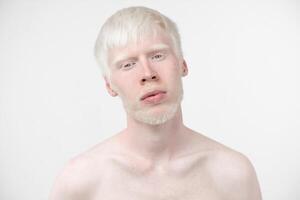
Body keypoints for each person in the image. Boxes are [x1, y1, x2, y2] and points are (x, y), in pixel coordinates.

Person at [50, 6, 262, 200]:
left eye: (158, 55)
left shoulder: (233, 174)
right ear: (109, 86)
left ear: (183, 65)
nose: (147, 74)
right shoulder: (78, 181)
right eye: (128, 64)